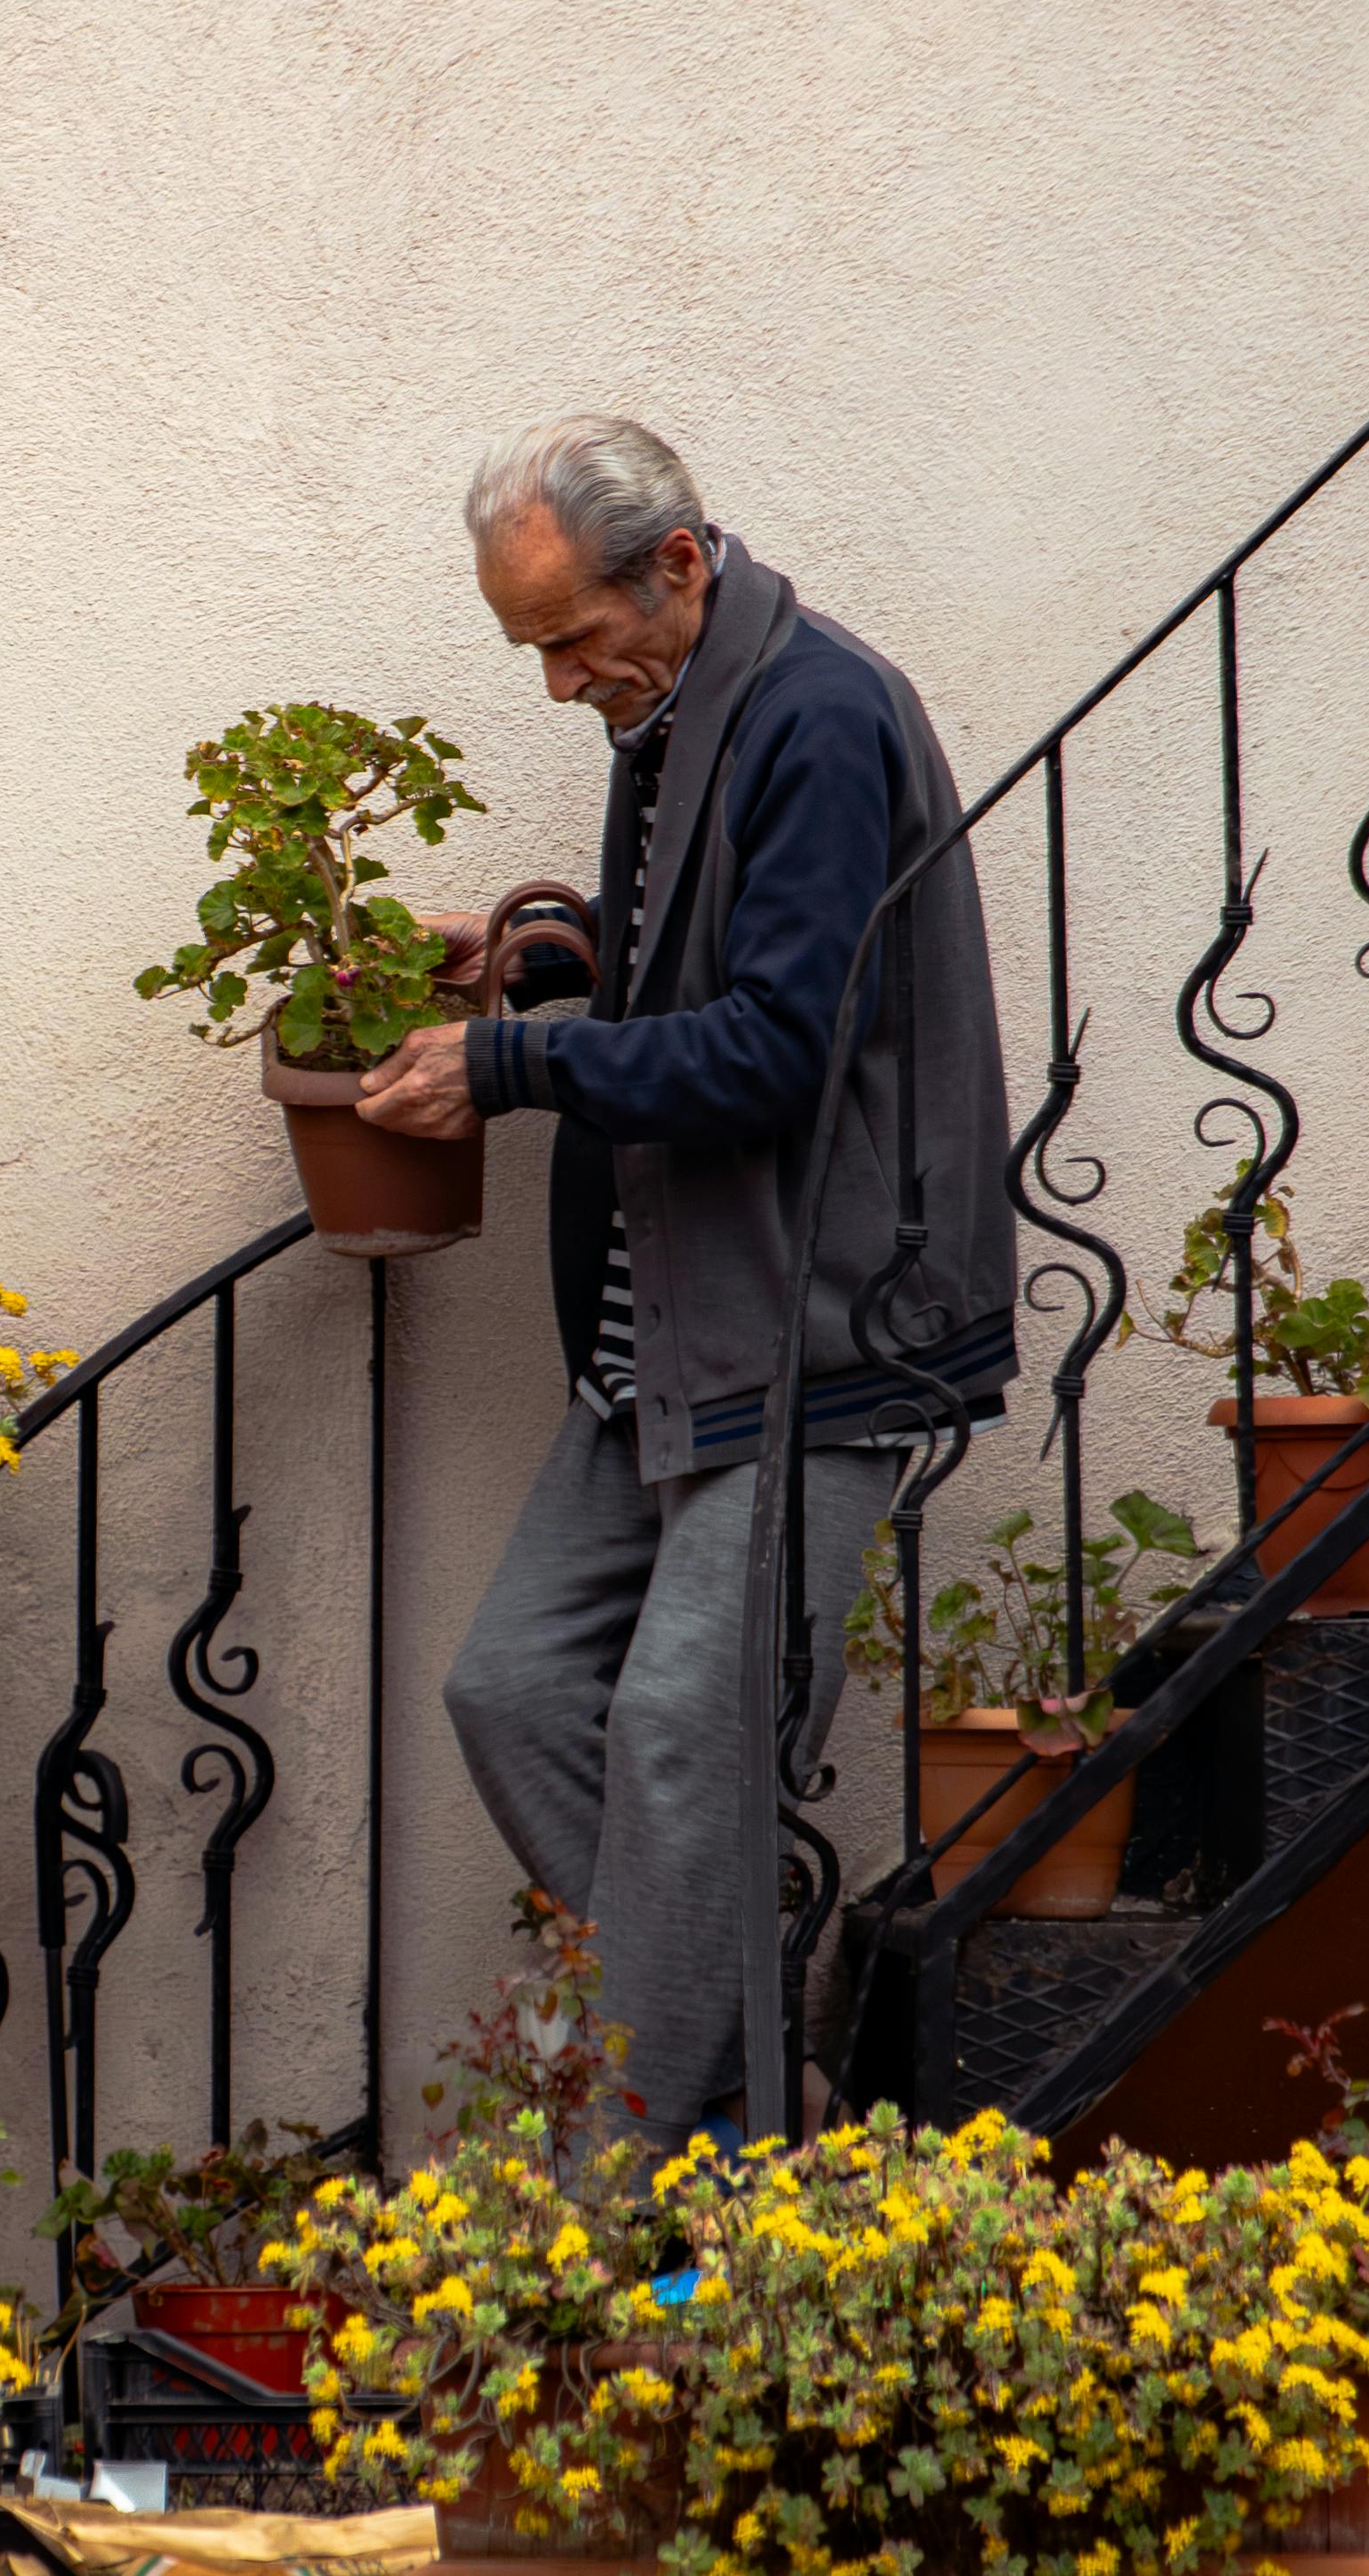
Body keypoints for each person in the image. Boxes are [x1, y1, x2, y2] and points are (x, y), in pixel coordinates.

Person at [355, 415, 1012, 2143]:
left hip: (811, 1336)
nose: (563, 680)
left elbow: (781, 1047)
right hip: (673, 1335)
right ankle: (732, 2055)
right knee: (511, 1687)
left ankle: (612, 2195)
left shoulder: (814, 715)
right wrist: (542, 962)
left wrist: (510, 1065)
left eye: (575, 636)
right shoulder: (675, 712)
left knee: (671, 1734)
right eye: (536, 649)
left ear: (682, 564)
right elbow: (693, 968)